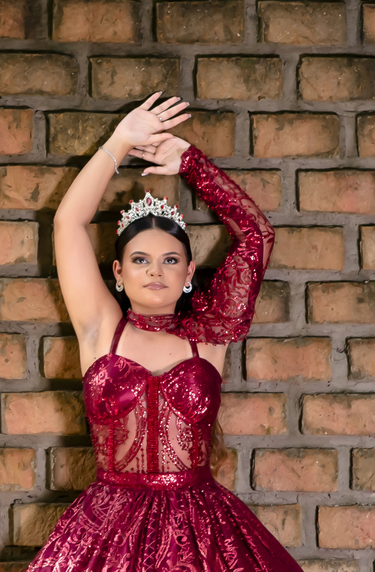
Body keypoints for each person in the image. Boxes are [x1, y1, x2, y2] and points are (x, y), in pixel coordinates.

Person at [26, 92, 296, 571]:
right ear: (118, 272)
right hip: (107, 525)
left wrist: (189, 162)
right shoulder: (101, 327)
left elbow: (256, 235)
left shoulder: (210, 333)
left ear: (189, 271)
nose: (156, 272)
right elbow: (68, 223)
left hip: (203, 529)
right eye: (141, 261)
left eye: (170, 260)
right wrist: (120, 142)